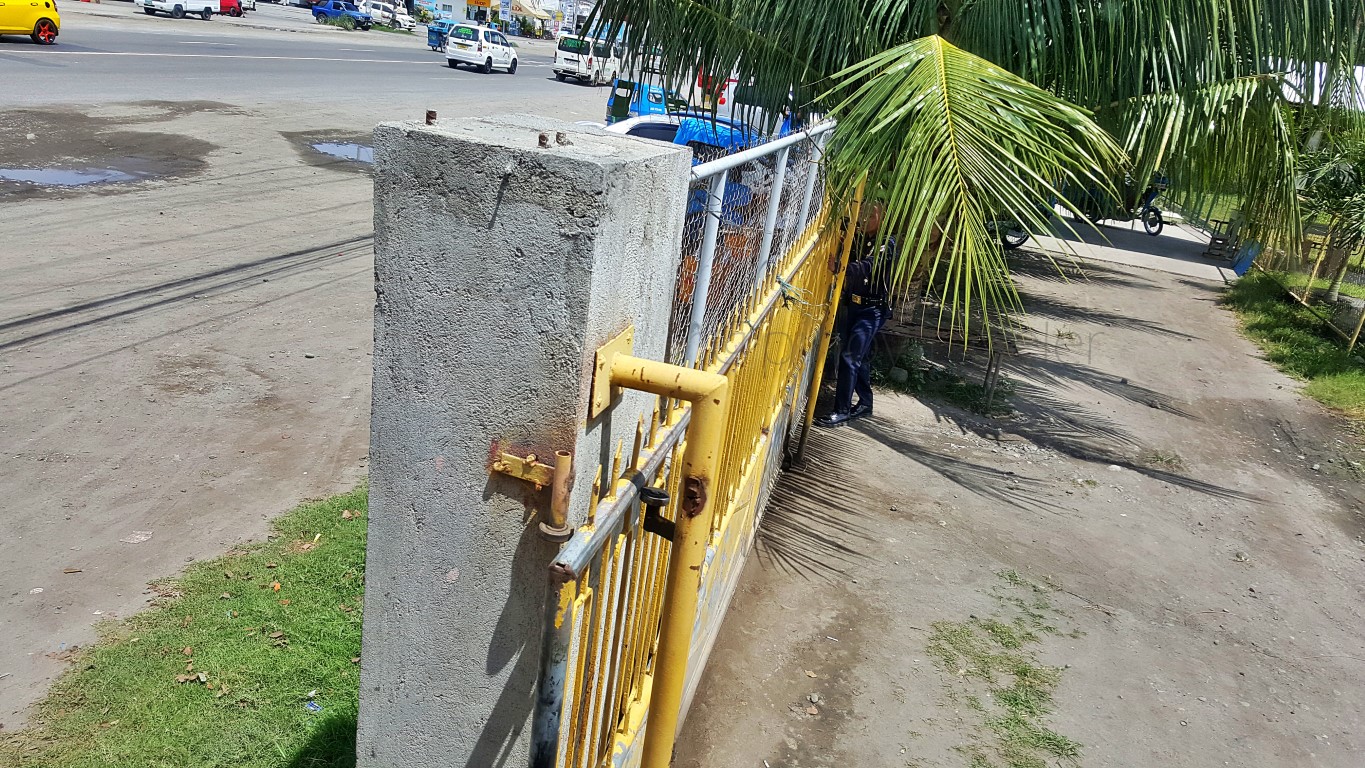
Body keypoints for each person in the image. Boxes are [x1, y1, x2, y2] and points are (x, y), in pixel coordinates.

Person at [817, 204, 897, 427]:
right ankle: (865, 402)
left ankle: (841, 411)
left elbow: (868, 267)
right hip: (853, 305)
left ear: (883, 218)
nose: (865, 219)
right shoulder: (858, 237)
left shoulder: (887, 244)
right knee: (856, 354)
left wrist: (841, 268)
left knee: (850, 357)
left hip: (872, 310)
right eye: (862, 214)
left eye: (871, 215)